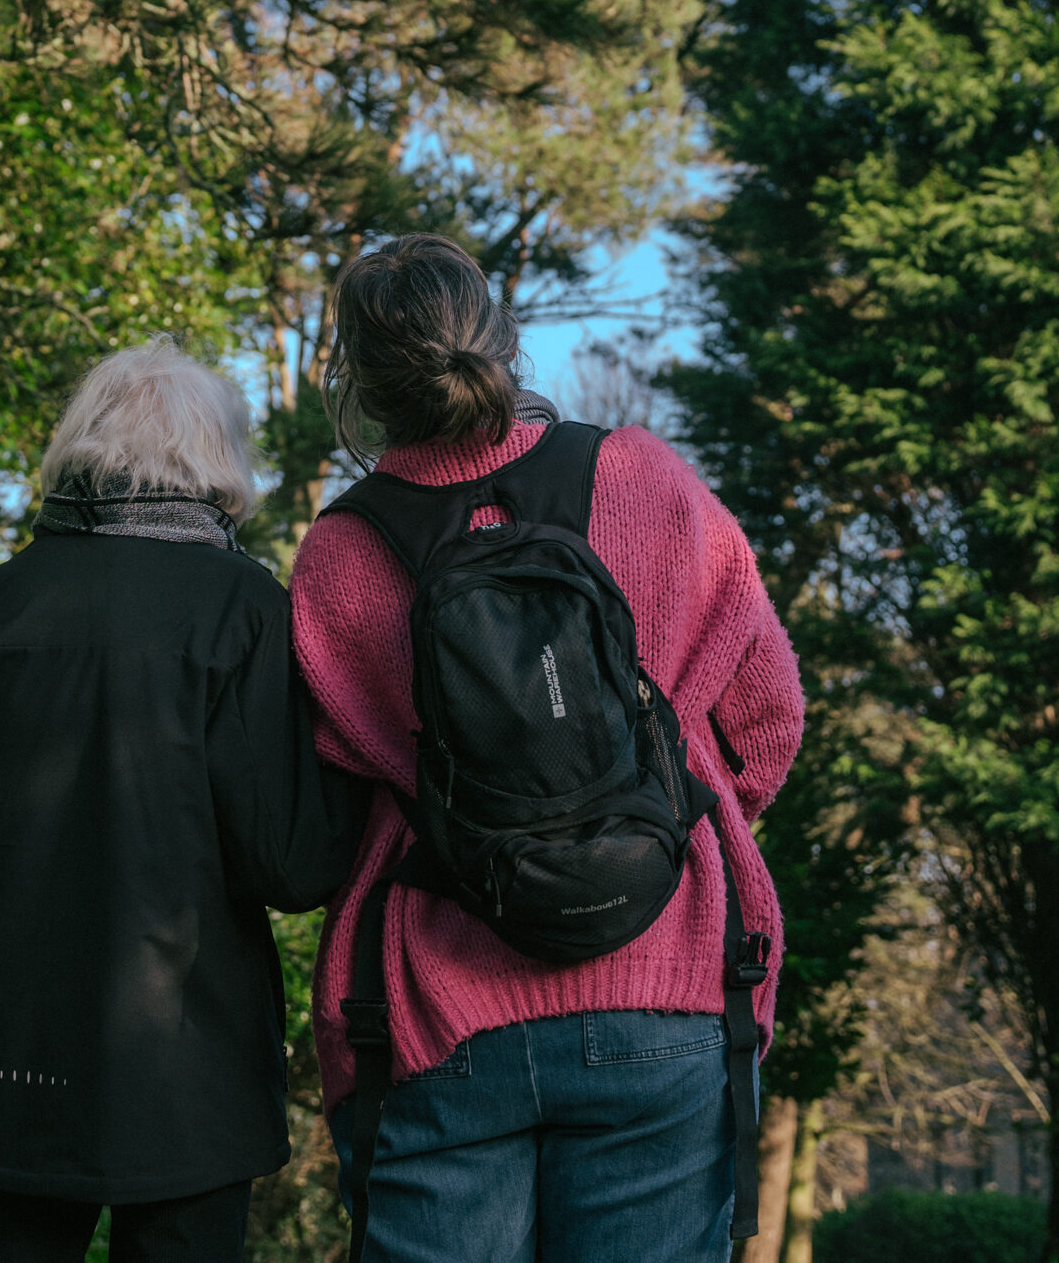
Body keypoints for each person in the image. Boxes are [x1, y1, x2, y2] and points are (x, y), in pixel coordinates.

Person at [293, 235, 802, 1263]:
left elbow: (330, 818)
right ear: (502, 339)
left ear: (358, 382)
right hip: (667, 983)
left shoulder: (340, 556)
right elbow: (765, 724)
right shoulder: (646, 479)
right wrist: (641, 829)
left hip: (437, 1015)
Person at [0, 340, 366, 1263]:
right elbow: (292, 861)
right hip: (190, 1084)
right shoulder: (243, 611)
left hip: (10, 1076)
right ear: (213, 460)